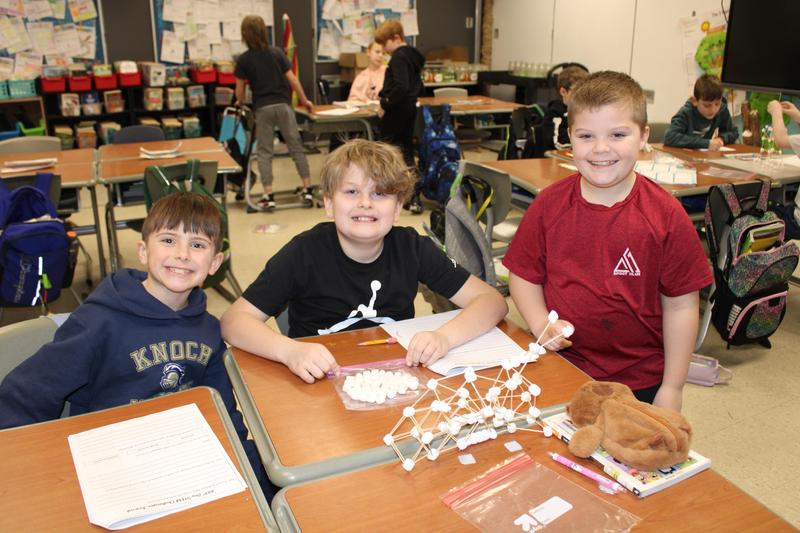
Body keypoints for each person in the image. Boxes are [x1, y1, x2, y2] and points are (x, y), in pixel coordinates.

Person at [0, 192, 272, 496]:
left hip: (179, 465)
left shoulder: (209, 331)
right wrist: (24, 473)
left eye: (197, 245)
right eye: (168, 240)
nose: (183, 254)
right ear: (143, 251)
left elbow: (223, 416)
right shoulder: (98, 321)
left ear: (215, 262)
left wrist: (260, 488)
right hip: (107, 468)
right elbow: (27, 395)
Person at [503, 71, 712, 412]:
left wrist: (673, 387)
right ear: (569, 138)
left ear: (644, 136)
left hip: (640, 378)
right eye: (586, 135)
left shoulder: (666, 215)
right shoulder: (549, 205)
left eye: (618, 134)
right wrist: (541, 322)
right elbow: (524, 274)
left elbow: (681, 305)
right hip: (560, 366)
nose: (601, 149)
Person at [221, 139, 508, 384]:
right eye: (351, 191)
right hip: (317, 383)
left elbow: (492, 301)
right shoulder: (303, 253)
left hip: (393, 377)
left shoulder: (412, 248)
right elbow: (234, 322)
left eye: (379, 193)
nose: (365, 203)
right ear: (330, 204)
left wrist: (445, 337)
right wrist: (288, 351)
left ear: (397, 209)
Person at [235, 14, 315, 211]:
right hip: (283, 106)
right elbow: (293, 80)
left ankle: (268, 193)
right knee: (296, 146)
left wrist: (239, 101)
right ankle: (307, 188)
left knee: (264, 152)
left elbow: (239, 89)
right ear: (264, 31)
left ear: (244, 35)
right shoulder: (277, 53)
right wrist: (305, 101)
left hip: (262, 109)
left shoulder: (244, 60)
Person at [374, 19, 425, 214]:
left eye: (385, 44)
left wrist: (384, 102)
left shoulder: (399, 57)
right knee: (406, 152)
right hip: (409, 109)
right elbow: (412, 86)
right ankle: (413, 195)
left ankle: (387, 192)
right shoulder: (412, 56)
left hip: (396, 111)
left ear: (395, 38)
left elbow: (401, 86)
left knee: (385, 152)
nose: (384, 50)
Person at [664, 73, 739, 149]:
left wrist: (722, 139)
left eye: (717, 104)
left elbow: (733, 132)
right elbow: (669, 137)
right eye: (707, 105)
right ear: (694, 101)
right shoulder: (686, 113)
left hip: (701, 156)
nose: (713, 110)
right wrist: (706, 143)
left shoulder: (722, 109)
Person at [541, 65, 589, 153]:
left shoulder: (586, 111)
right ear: (563, 92)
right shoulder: (555, 113)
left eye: (585, 91)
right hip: (554, 159)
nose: (582, 96)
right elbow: (559, 144)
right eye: (577, 91)